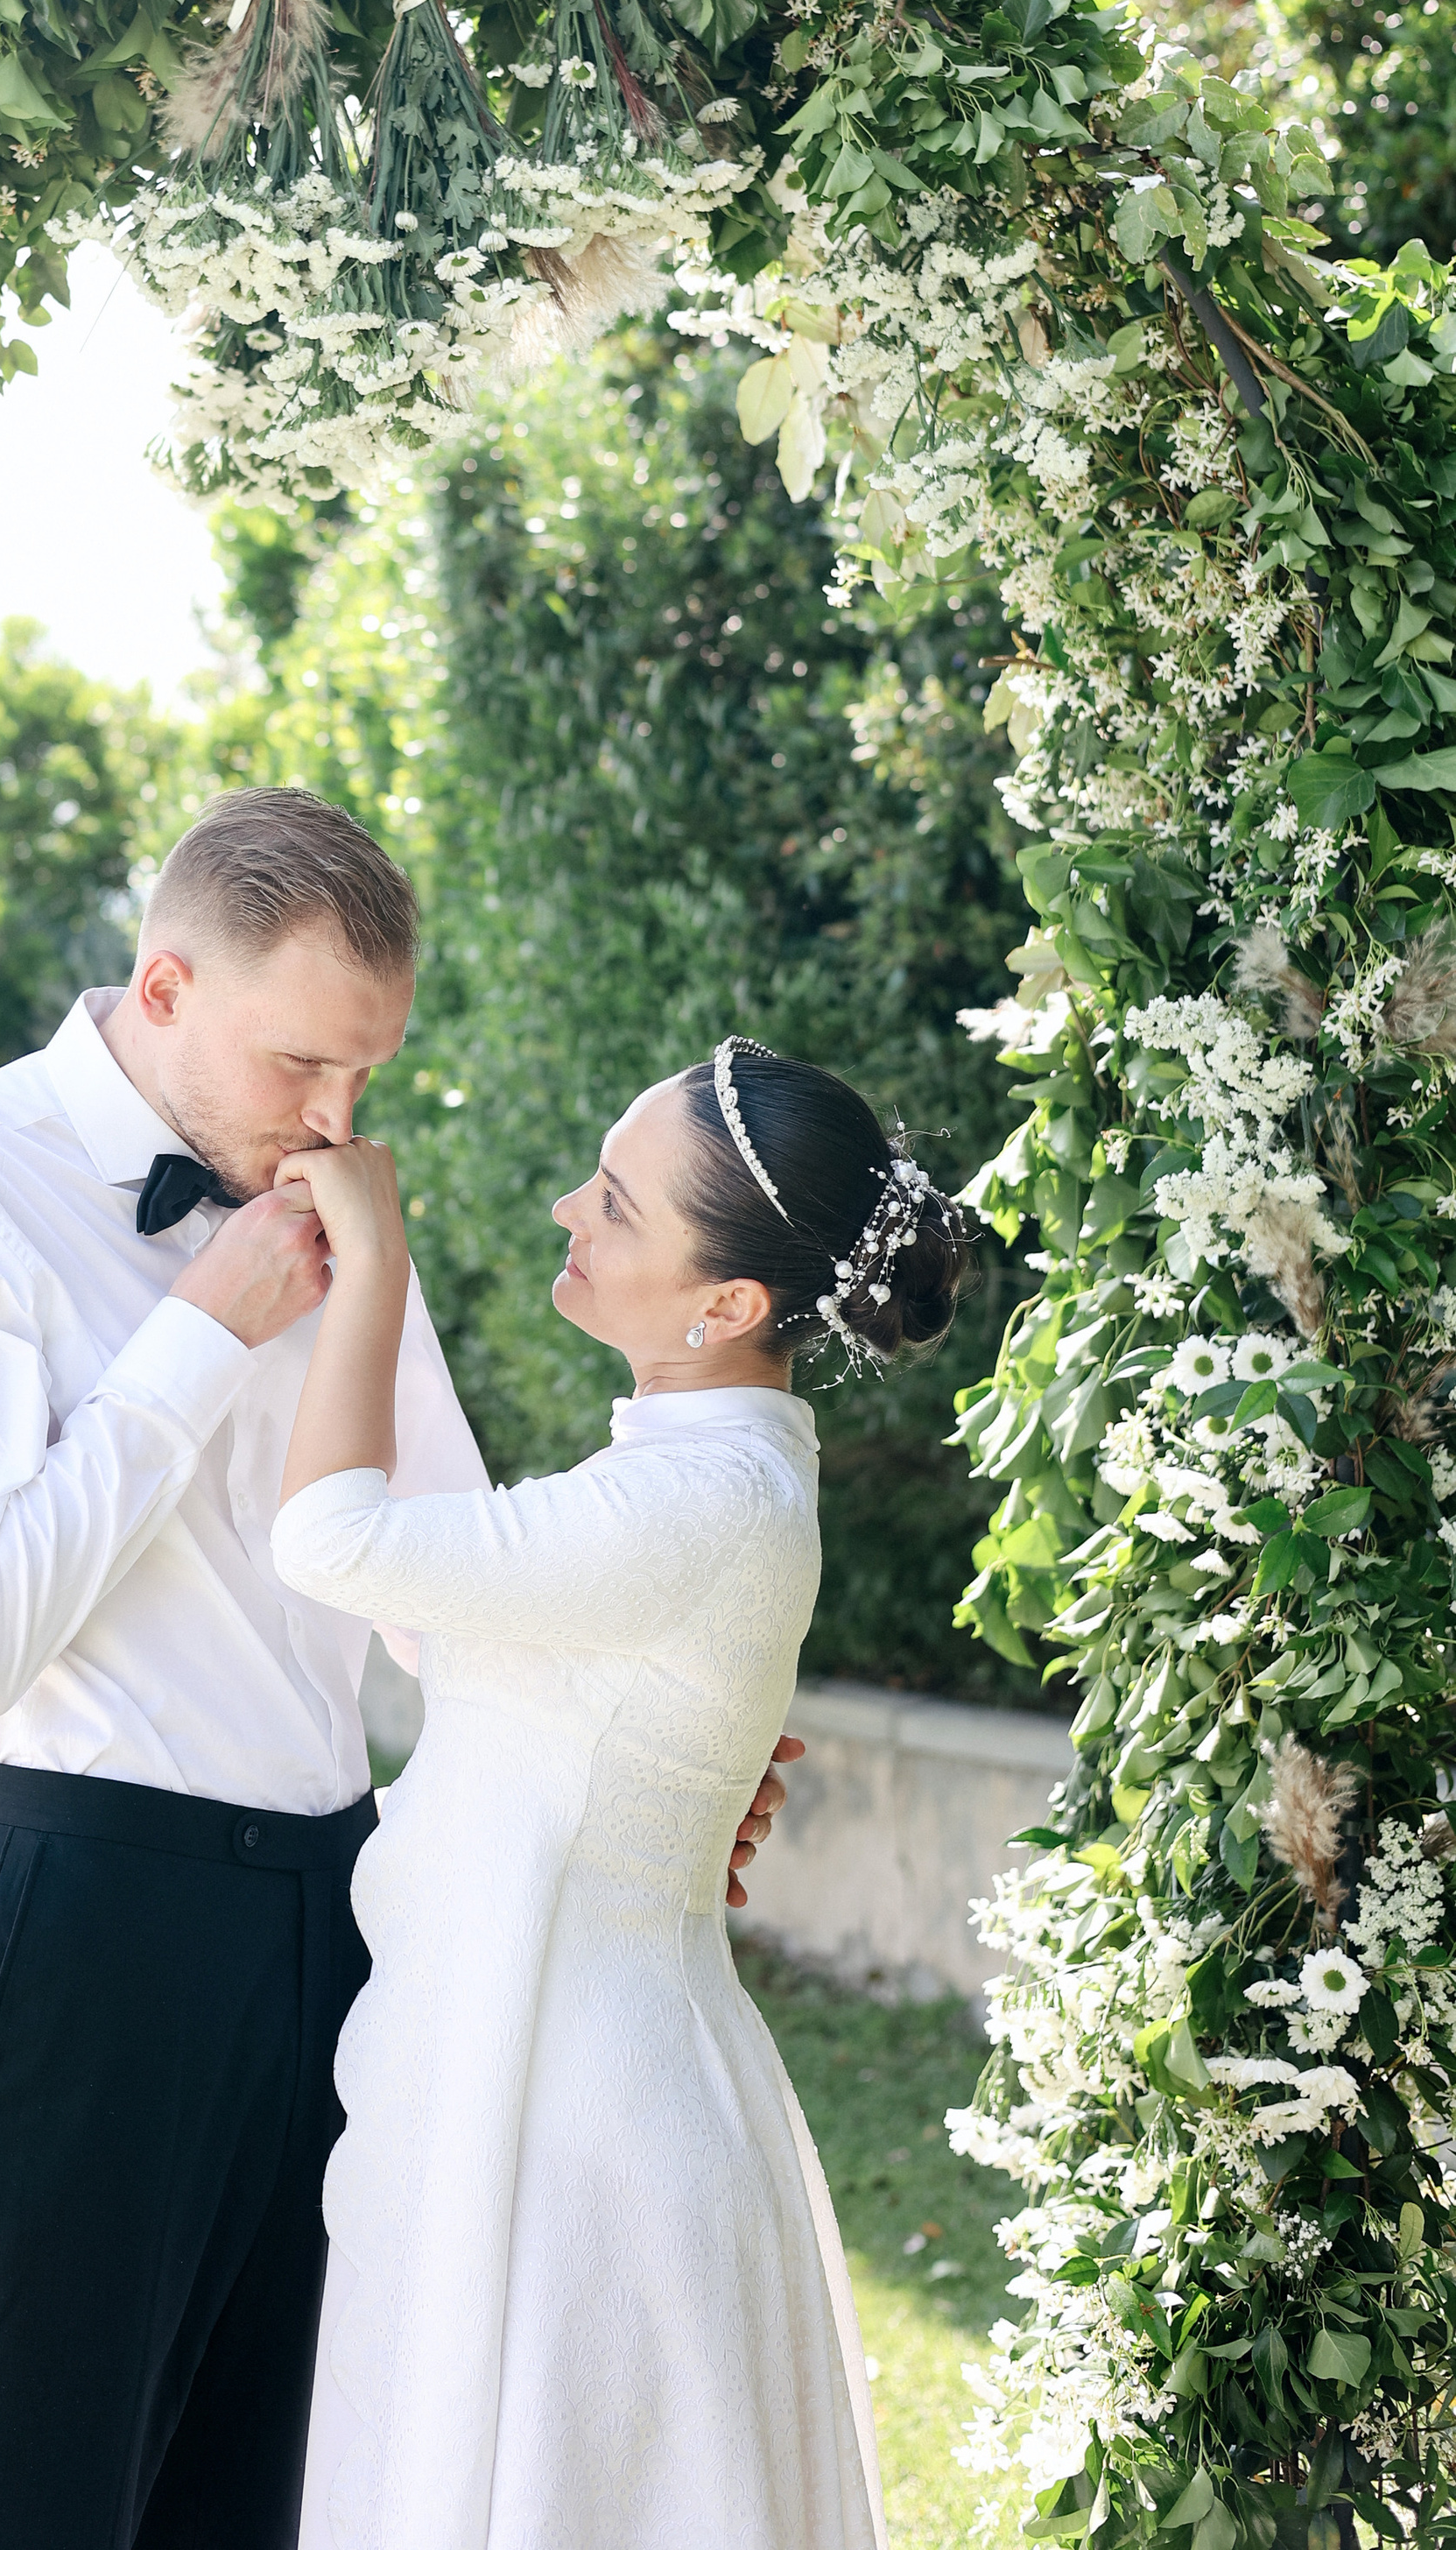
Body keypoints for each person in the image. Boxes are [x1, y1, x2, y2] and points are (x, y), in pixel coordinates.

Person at [0, 791, 798, 2550]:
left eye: (365, 1076)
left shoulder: (324, 1203)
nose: (335, 1122)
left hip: (343, 1925)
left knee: (276, 2500)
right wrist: (201, 1333)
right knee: (19, 2501)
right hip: (85, 1925)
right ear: (163, 988)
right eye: (301, 1068)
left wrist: (660, 1748)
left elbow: (454, 1576)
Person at [270, 1039, 974, 2550]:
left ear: (730, 1305)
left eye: (615, 1203)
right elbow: (503, 1639)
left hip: (569, 2127)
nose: (563, 1214)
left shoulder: (694, 1500)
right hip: (522, 2074)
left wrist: (372, 1260)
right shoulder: (693, 1487)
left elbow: (332, 1542)